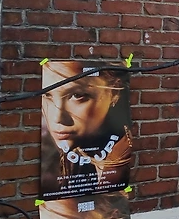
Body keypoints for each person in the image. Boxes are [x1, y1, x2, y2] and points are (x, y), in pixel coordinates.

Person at [40, 60, 132, 197]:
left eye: (77, 95)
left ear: (114, 93)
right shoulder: (72, 157)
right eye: (47, 95)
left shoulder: (125, 161)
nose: (57, 117)